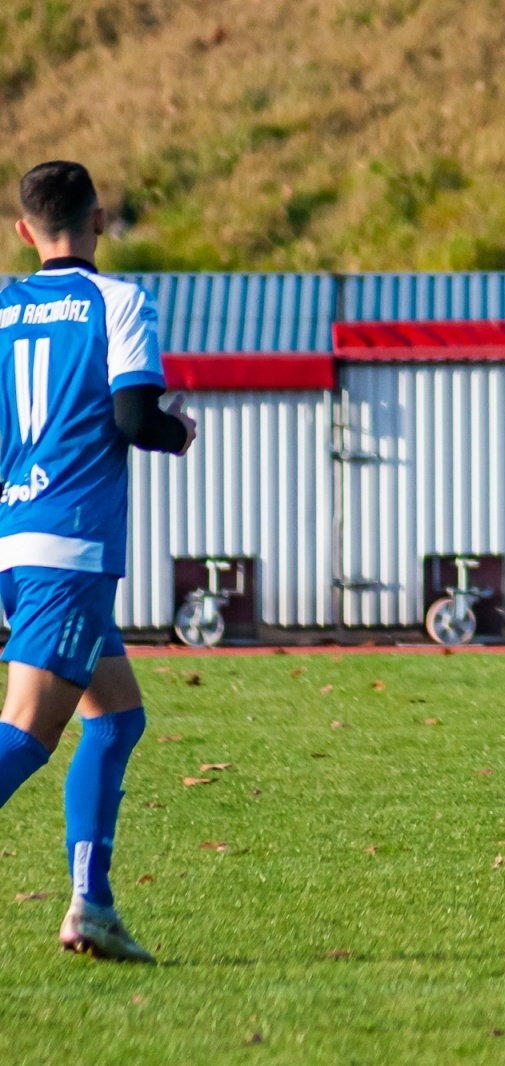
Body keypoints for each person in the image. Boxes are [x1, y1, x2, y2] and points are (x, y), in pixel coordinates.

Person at [0, 161, 196, 959]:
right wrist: (179, 431)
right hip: (72, 546)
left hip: (16, 542)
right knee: (27, 731)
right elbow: (134, 417)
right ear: (100, 219)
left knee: (117, 718)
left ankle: (94, 905)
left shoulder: (3, 308)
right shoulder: (119, 301)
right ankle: (90, 907)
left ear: (24, 231)